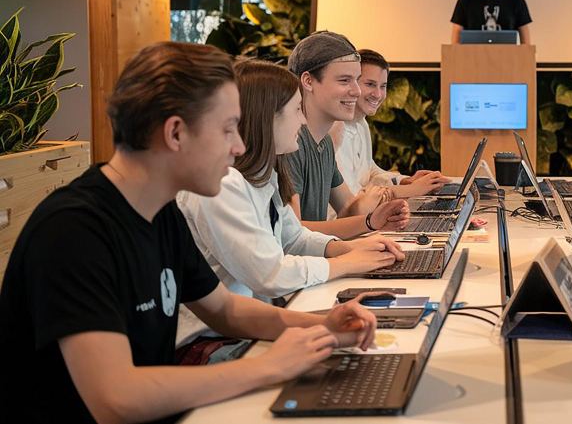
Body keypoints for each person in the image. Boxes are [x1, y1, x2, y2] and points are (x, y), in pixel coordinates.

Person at [0, 42, 379, 423]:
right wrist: (268, 367)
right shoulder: (74, 231)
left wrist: (324, 327)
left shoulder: (161, 213)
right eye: (228, 129)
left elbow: (225, 309)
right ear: (176, 133)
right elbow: (116, 399)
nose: (239, 146)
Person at [175, 59, 405, 347]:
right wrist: (347, 263)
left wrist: (351, 249)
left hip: (248, 326)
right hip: (211, 340)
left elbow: (294, 237)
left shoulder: (265, 174)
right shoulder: (224, 184)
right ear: (266, 117)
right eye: (297, 110)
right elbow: (270, 274)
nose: (303, 121)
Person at [285, 31, 411, 236]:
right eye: (344, 81)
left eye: (357, 80)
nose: (357, 91)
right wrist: (369, 222)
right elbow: (293, 232)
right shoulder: (291, 143)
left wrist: (380, 215)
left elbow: (347, 209)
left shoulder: (324, 143)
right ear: (308, 81)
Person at [330, 49, 450, 197]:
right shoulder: (333, 131)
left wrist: (405, 181)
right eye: (370, 84)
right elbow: (352, 197)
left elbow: (369, 169)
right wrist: (413, 190)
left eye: (383, 86)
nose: (378, 94)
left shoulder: (361, 123)